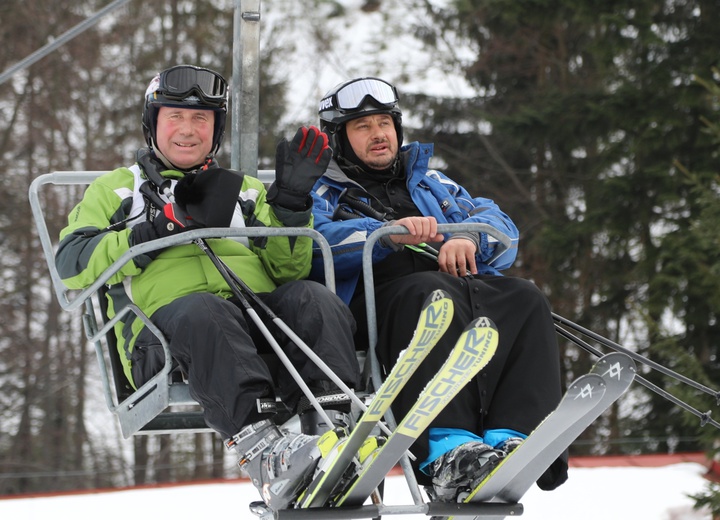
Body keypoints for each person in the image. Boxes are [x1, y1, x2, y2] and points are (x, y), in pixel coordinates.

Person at [55, 64, 363, 510]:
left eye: (201, 119)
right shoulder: (117, 191)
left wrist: (293, 205)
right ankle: (261, 448)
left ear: (215, 130)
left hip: (254, 320)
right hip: (163, 338)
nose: (187, 130)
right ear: (152, 124)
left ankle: (332, 423)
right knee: (204, 311)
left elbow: (287, 270)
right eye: (174, 117)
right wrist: (152, 232)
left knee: (312, 298)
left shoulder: (244, 191)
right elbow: (72, 262)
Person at [310, 77, 568, 502]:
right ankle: (447, 449)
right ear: (338, 138)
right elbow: (314, 244)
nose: (378, 135)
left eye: (384, 123)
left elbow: (497, 222)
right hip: (380, 304)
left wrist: (468, 237)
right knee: (431, 293)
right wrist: (384, 234)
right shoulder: (323, 189)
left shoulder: (431, 183)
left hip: (457, 289)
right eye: (362, 127)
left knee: (524, 296)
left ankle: (514, 435)